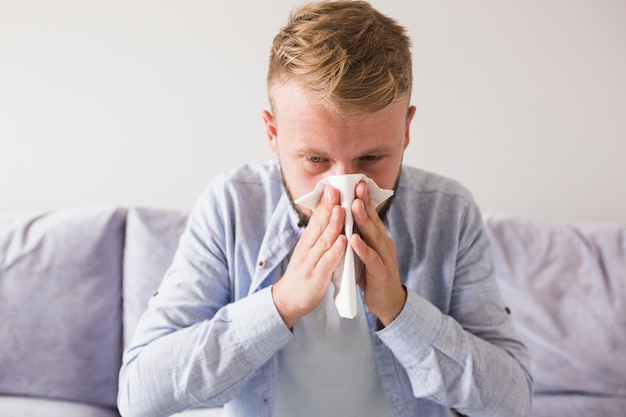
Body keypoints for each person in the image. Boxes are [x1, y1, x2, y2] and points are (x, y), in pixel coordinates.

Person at [117, 1, 532, 416]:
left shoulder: (448, 213)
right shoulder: (233, 206)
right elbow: (139, 395)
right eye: (316, 161)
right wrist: (281, 305)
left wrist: (399, 310)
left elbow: (512, 402)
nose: (344, 189)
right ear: (273, 133)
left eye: (372, 159)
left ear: (405, 130)